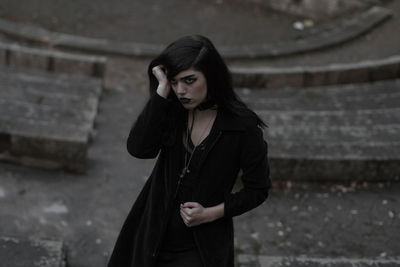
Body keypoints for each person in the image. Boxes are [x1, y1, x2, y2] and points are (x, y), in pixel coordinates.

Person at [108, 35, 271, 267]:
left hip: (200, 247)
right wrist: (161, 92)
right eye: (174, 82)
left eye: (189, 80)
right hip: (153, 234)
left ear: (212, 76)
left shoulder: (242, 128)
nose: (181, 91)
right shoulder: (173, 110)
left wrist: (211, 213)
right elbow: (139, 149)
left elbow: (258, 189)